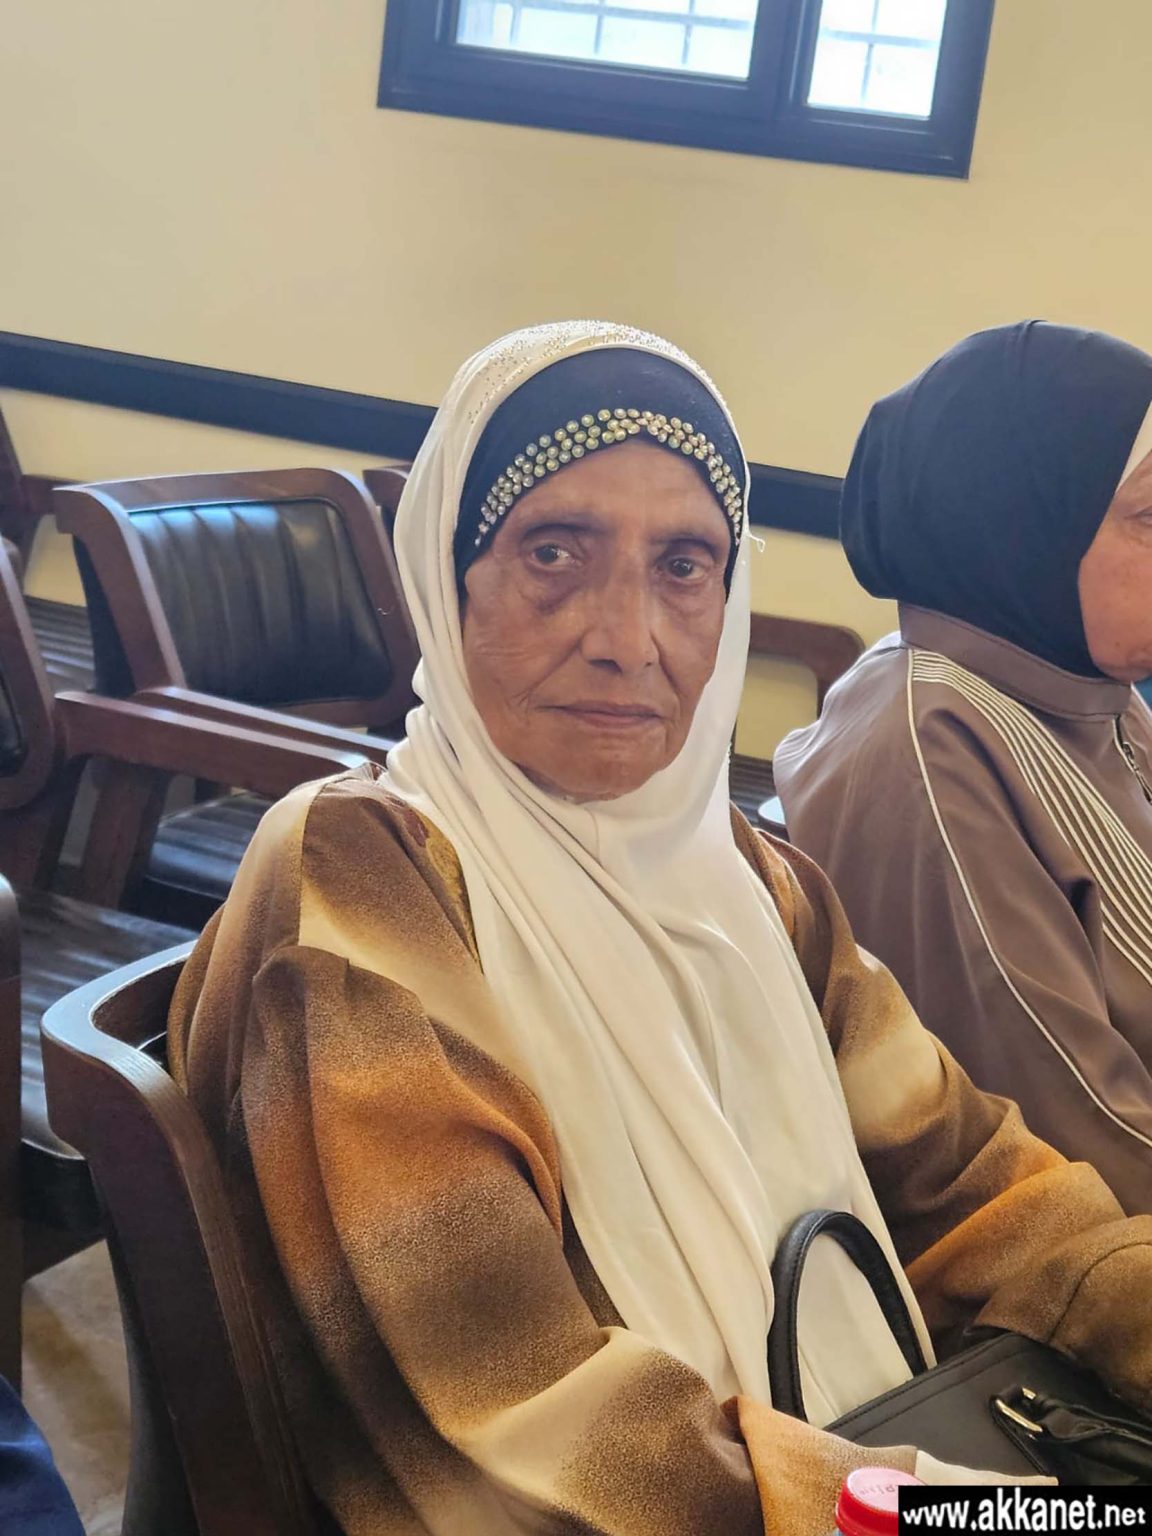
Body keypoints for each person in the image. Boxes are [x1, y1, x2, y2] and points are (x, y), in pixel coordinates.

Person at [171, 323, 1152, 1536]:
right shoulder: (367, 887)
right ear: (447, 575)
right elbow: (524, 1427)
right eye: (553, 553)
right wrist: (973, 1517)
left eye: (684, 566)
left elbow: (976, 1186)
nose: (627, 639)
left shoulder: (747, 883)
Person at [775, 321, 1152, 1216]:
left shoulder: (1086, 690)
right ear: (1026, 522)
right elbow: (1068, 1141)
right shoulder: (929, 744)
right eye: (1151, 519)